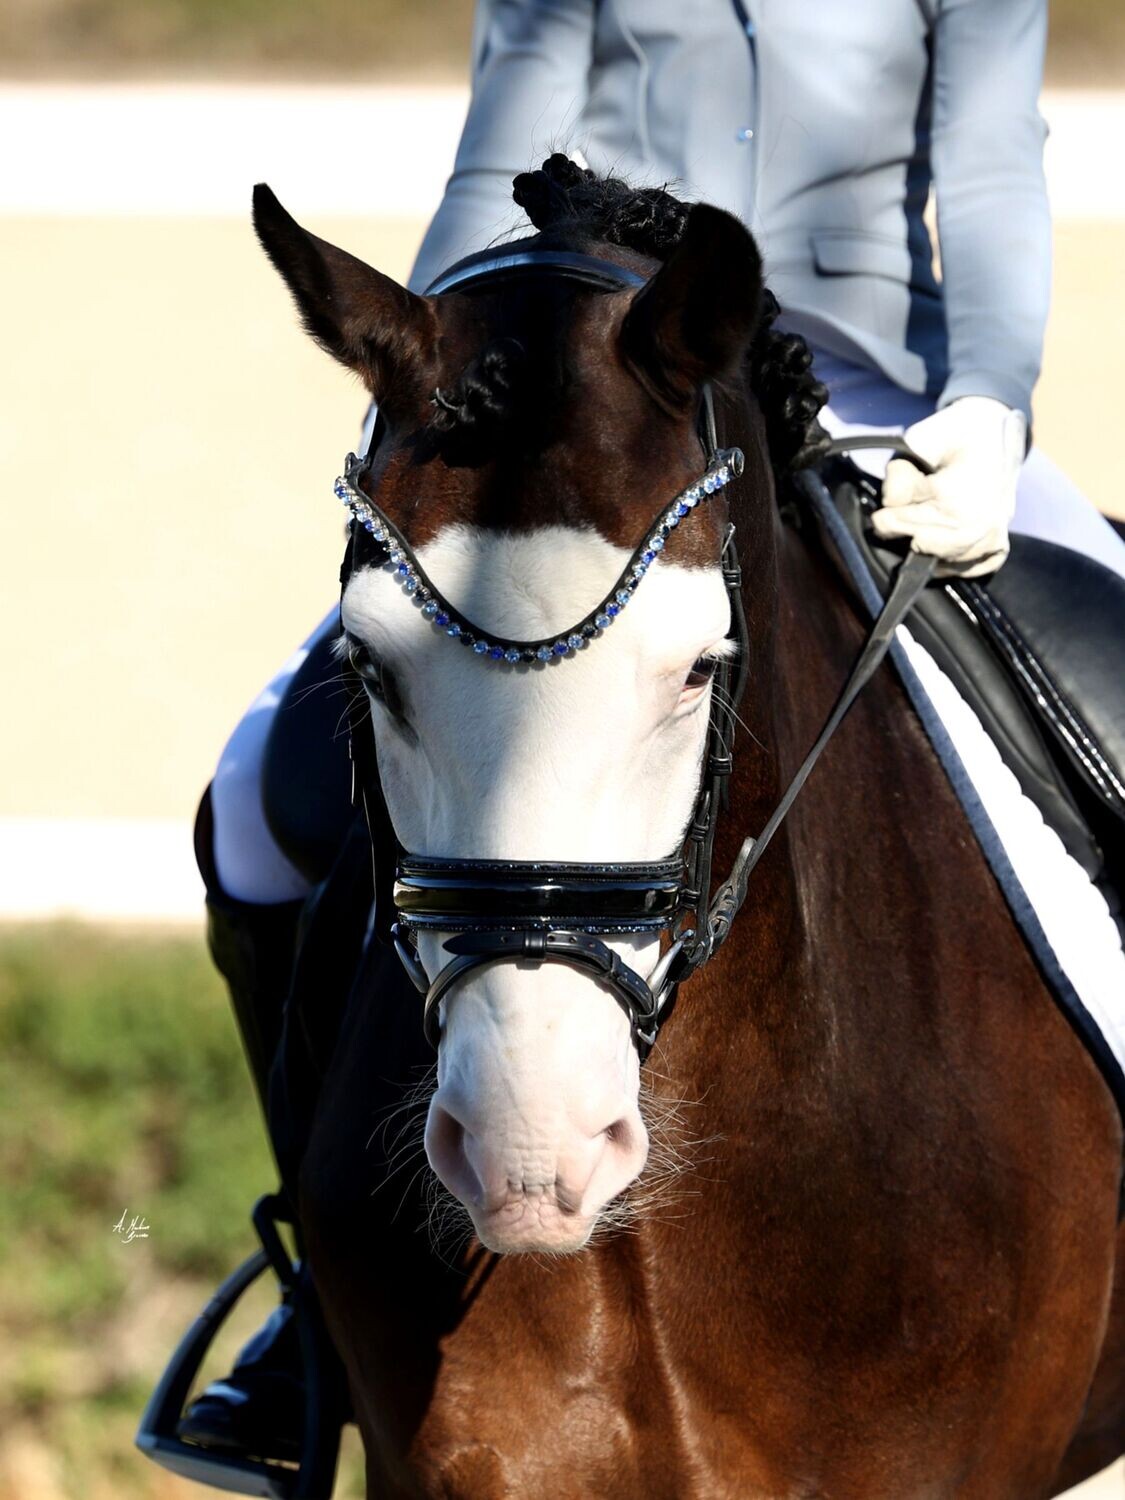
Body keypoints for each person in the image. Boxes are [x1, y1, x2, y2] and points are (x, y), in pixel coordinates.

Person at [178, 0, 1125, 1466]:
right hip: (590, 421)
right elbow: (499, 163)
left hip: (872, 410)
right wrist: (443, 392)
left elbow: (989, 165)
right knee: (259, 799)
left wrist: (990, 404)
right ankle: (317, 1297)